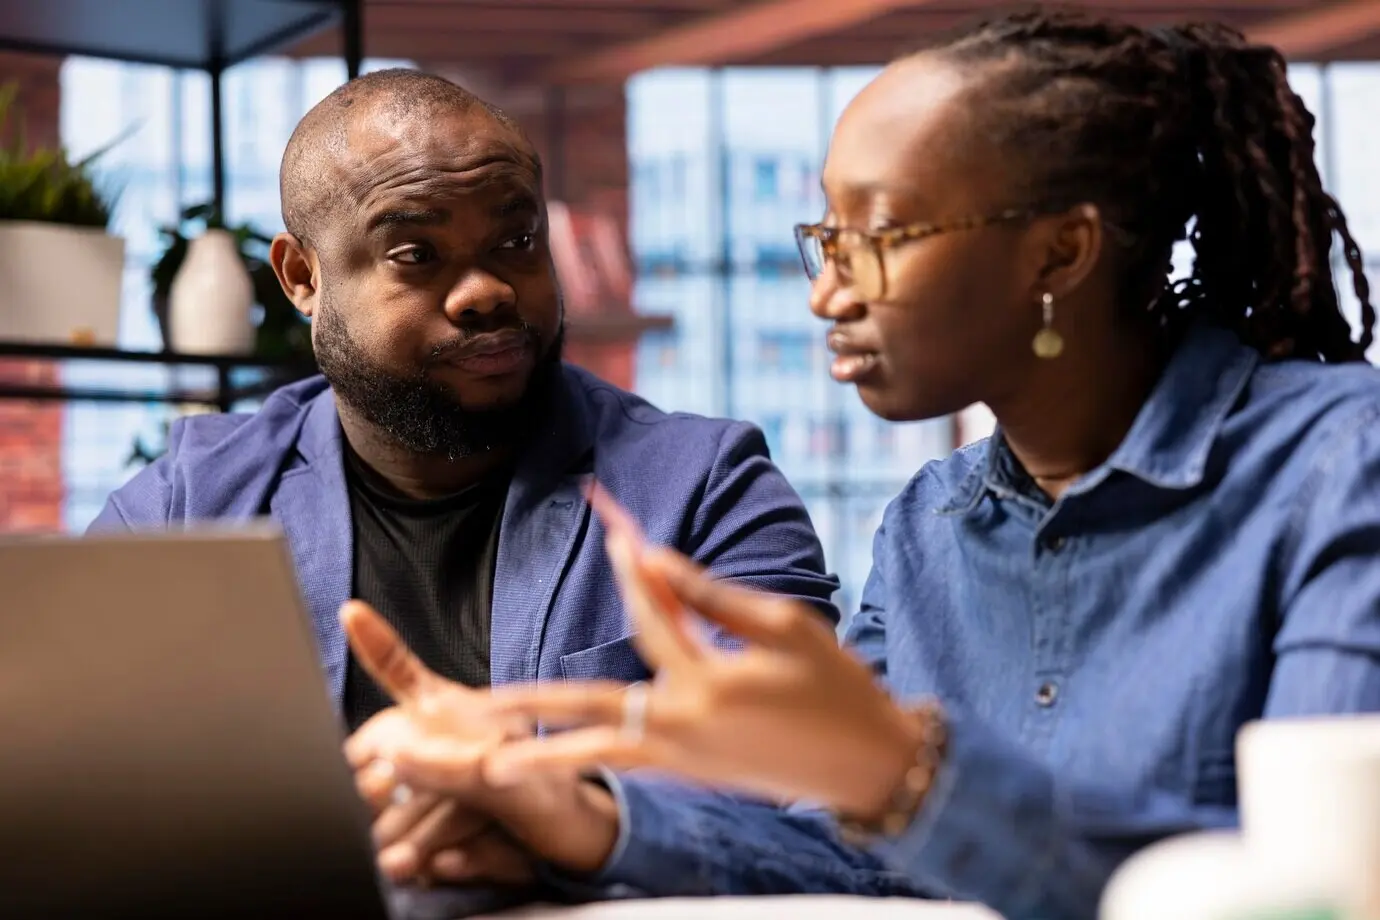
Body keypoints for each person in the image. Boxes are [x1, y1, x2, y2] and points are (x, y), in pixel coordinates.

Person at [342, 11, 1380, 920]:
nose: (827, 294)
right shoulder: (934, 519)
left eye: (877, 235)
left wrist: (905, 772)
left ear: (1060, 253)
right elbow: (855, 856)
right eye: (824, 237)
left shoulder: (1341, 464)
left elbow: (1318, 887)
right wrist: (589, 819)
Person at [87, 69, 840, 894]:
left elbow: (807, 793)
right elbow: (78, 779)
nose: (486, 292)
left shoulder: (704, 490)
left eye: (516, 243)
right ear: (302, 277)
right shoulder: (188, 505)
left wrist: (571, 813)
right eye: (416, 253)